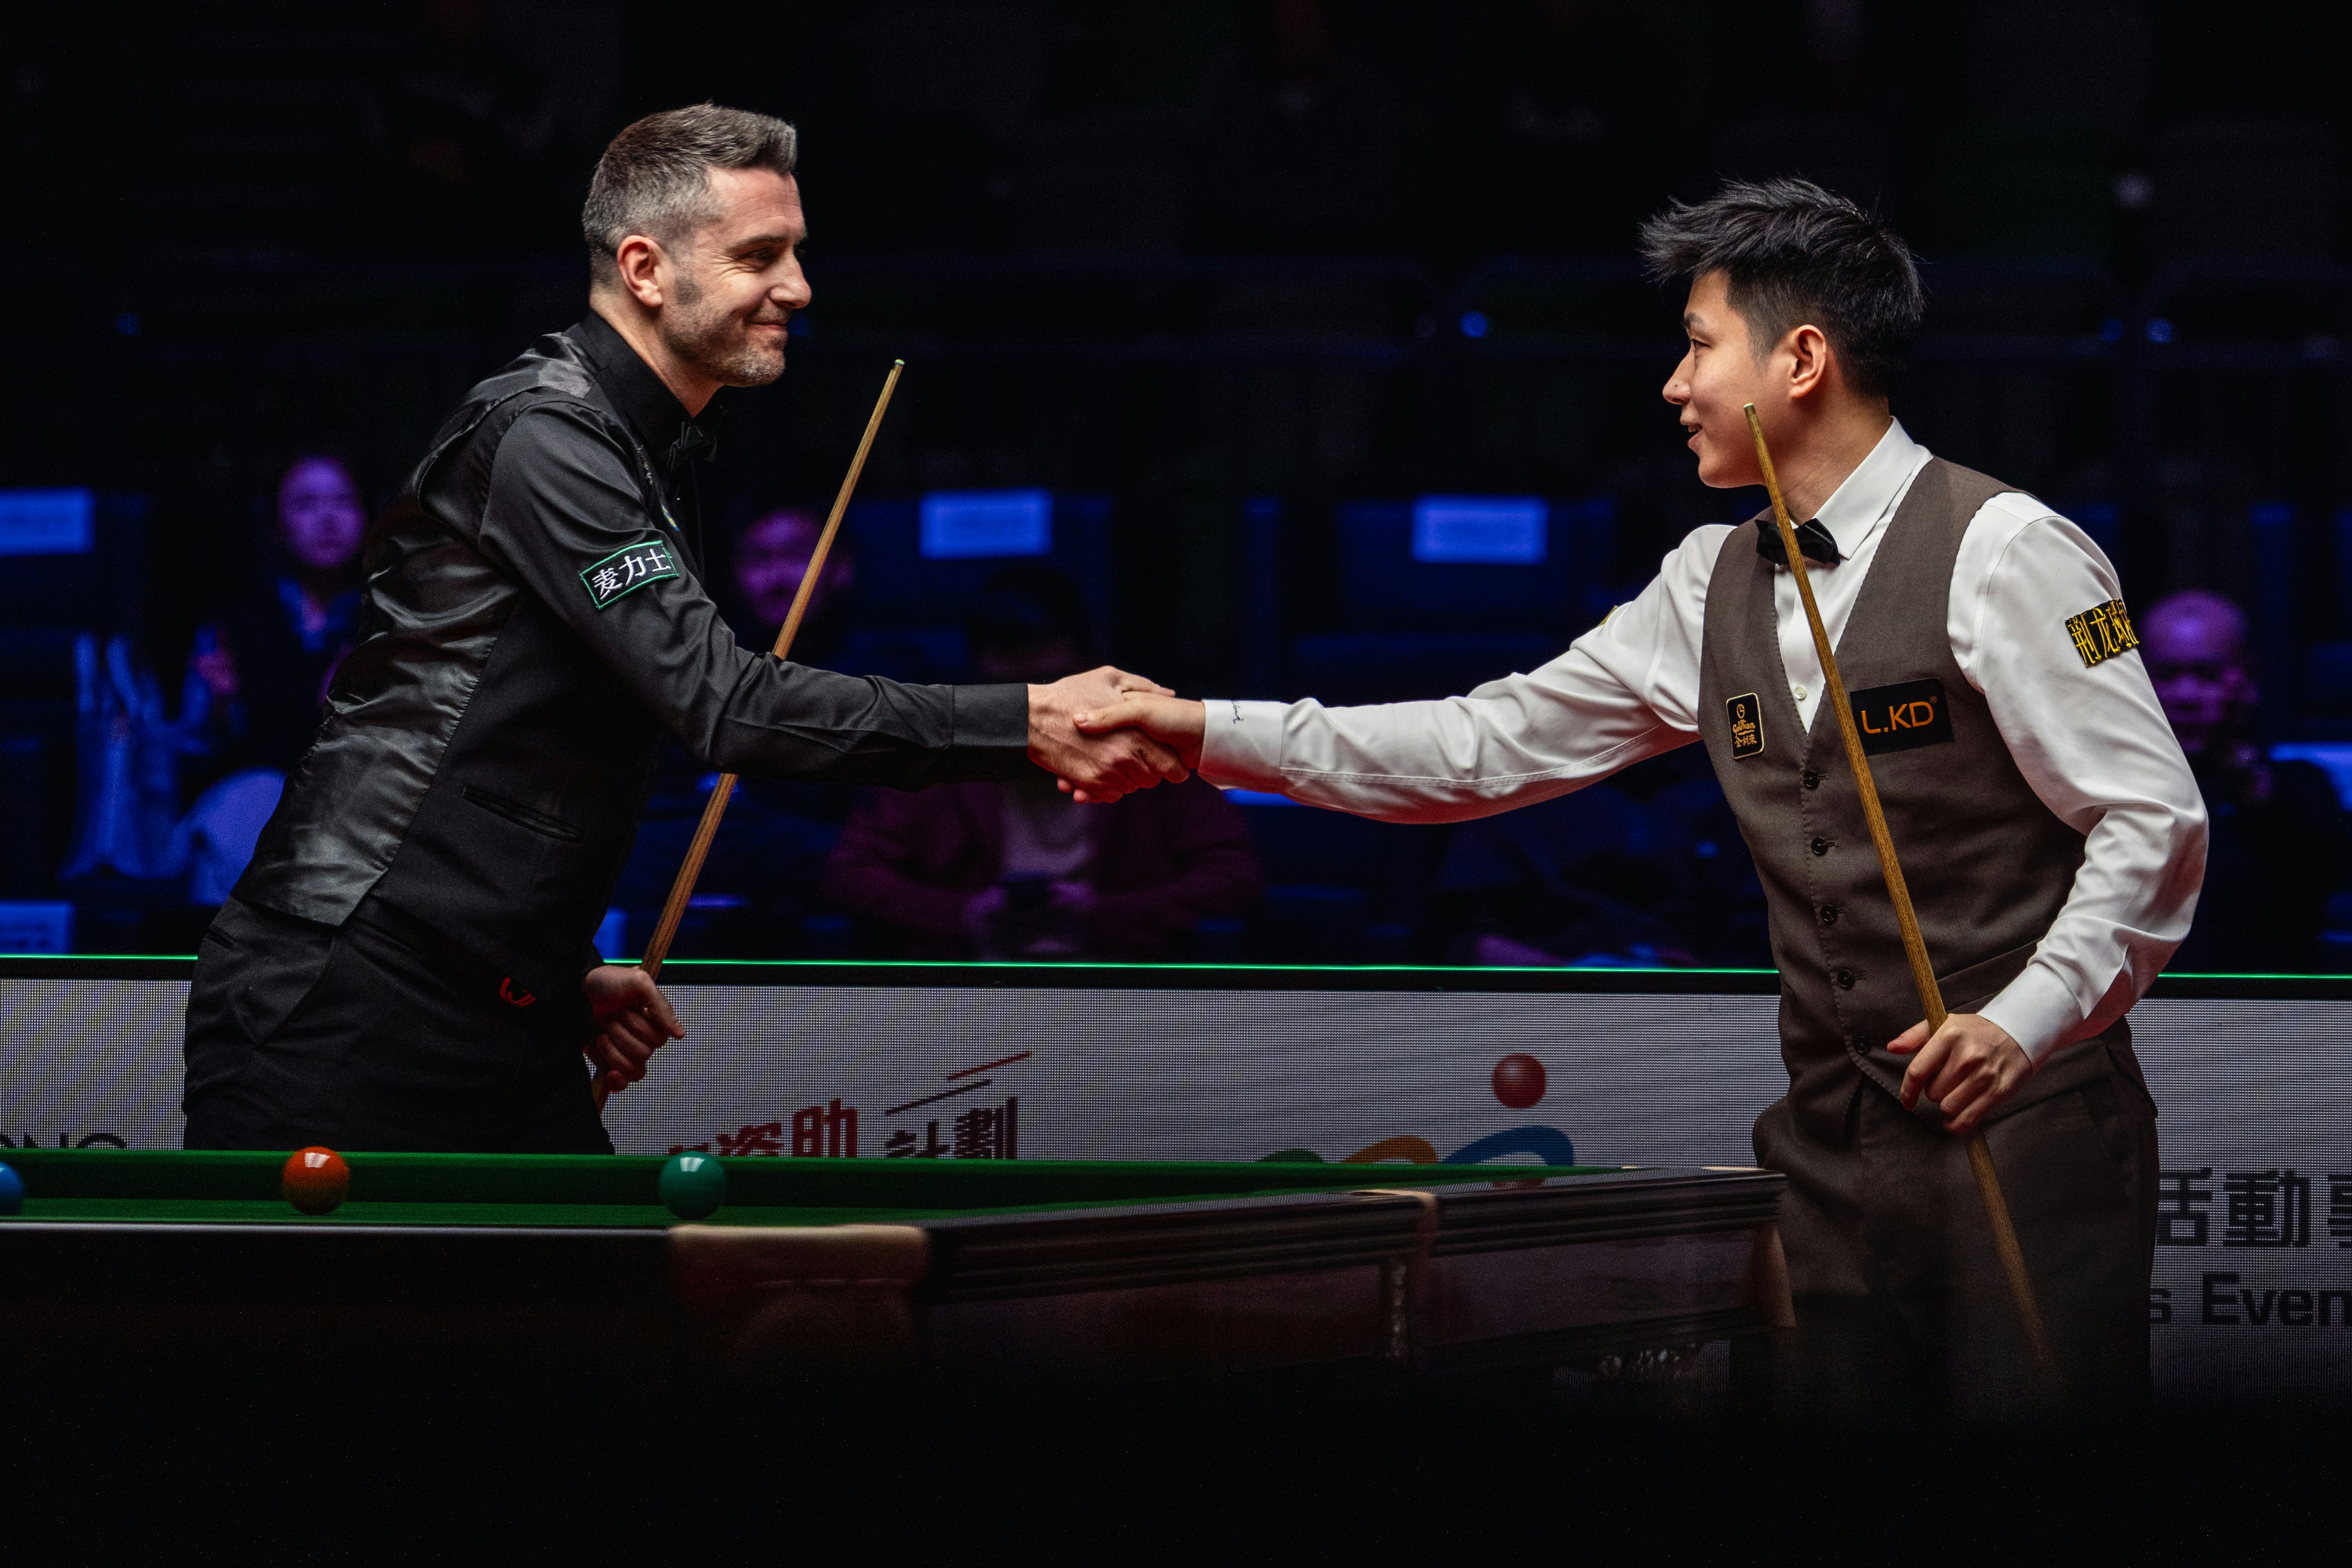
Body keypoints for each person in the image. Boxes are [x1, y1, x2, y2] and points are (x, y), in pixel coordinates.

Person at [1078, 179, 2207, 1420]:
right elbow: (1477, 745)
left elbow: (2152, 819)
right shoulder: (1707, 578)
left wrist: (2021, 1021)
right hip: (1825, 1144)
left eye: (1699, 345)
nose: (1673, 385)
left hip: (2027, 1129)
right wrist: (1206, 731)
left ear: (1802, 361)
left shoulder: (2010, 550)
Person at [184, 105, 1181, 1155]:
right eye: (760, 256)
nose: (798, 287)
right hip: (350, 1001)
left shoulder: (647, 449)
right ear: (645, 269)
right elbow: (725, 704)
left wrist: (557, 968)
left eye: (796, 253)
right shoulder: (547, 435)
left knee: (603, 1268)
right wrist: (1028, 720)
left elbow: (504, 734)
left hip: (490, 1001)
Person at [824, 568, 1262, 960]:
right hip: (970, 994)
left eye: (1050, 688)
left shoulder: (1149, 753)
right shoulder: (938, 759)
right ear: (977, 682)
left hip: (1122, 991)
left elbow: (1235, 877)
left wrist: (1104, 915)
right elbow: (850, 875)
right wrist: (965, 915)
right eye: (1008, 694)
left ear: (1093, 673)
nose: (1033, 712)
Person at [2142, 590, 2348, 973]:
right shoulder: (2108, 791)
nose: (2187, 696)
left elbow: (2313, 876)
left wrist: (2240, 771)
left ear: (2248, 677)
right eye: (2167, 675)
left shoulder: (2300, 788)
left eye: (2207, 675)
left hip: (2265, 1006)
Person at [189, 454, 370, 778]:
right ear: (277, 524)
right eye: (306, 504)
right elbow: (195, 747)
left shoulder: (391, 622)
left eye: (344, 501)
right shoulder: (234, 628)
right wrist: (221, 706)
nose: (328, 518)